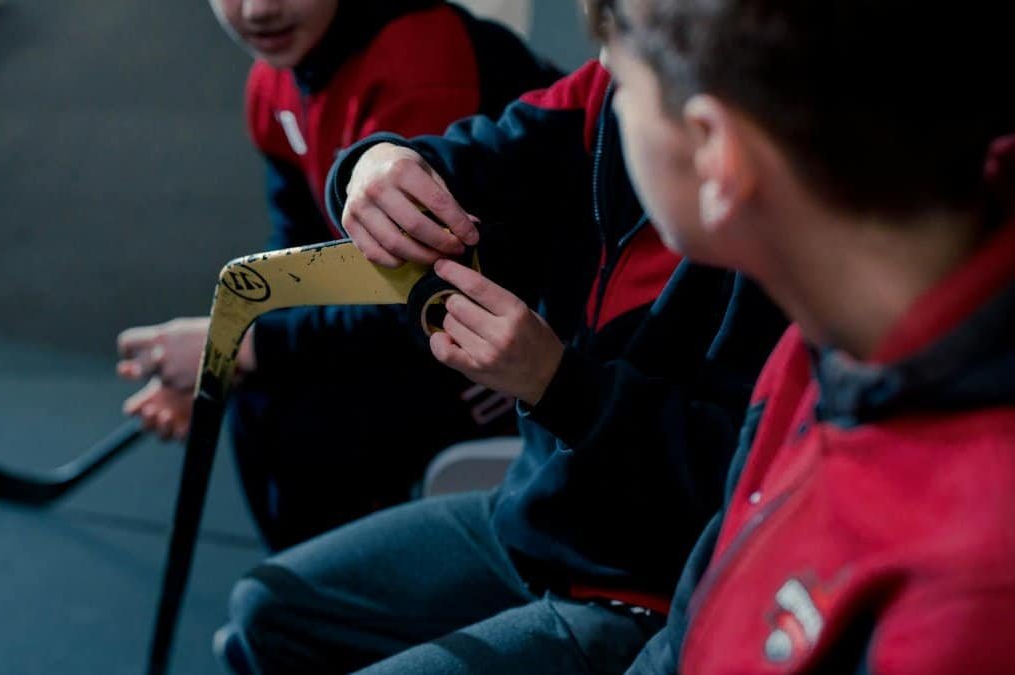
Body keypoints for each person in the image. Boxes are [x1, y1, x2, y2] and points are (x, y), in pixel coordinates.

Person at [219, 20, 789, 674]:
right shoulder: (597, 95)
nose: (603, 79)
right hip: (537, 515)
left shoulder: (780, 246)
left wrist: (558, 384)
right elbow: (472, 160)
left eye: (624, 75)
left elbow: (734, 489)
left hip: (644, 589)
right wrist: (374, 163)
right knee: (264, 607)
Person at [570, 1, 1015, 673]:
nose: (604, 85)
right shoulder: (827, 329)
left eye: (624, 85)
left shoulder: (968, 590)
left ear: (715, 150)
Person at [114, 0, 561, 551]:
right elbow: (298, 257)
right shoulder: (272, 81)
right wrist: (219, 364)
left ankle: (331, 607)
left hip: (525, 346)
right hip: (424, 313)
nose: (258, 9)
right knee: (265, 397)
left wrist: (240, 347)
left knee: (304, 423)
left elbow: (419, 303)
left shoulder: (416, 64)